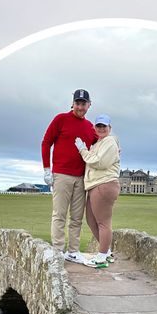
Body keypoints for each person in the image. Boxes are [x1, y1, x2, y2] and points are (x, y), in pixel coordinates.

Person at [41, 89, 97, 266]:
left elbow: (99, 143)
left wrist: (113, 146)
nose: (80, 106)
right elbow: (46, 142)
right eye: (77, 103)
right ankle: (58, 251)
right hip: (62, 175)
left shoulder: (89, 127)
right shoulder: (61, 119)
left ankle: (73, 251)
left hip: (81, 177)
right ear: (72, 103)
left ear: (89, 105)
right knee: (59, 215)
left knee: (77, 218)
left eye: (83, 103)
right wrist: (47, 169)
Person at [75, 114, 120, 268]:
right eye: (98, 126)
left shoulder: (109, 141)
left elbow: (99, 162)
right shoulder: (99, 143)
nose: (101, 129)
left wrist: (82, 150)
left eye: (104, 126)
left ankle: (101, 257)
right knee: (91, 220)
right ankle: (106, 252)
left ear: (109, 128)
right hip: (95, 185)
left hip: (104, 184)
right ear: (95, 128)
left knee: (103, 222)